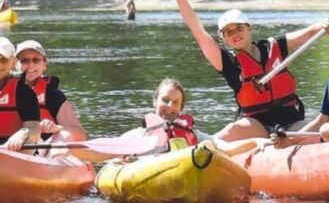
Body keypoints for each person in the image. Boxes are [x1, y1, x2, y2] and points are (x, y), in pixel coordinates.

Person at [170, 0, 329, 142]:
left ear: (250, 27)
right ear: (224, 38)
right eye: (228, 32)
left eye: (239, 28)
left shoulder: (275, 46)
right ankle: (194, 143)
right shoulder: (228, 63)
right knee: (233, 130)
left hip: (291, 123)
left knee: (325, 130)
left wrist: (323, 26)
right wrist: (181, 0)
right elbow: (200, 34)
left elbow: (308, 33)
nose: (235, 34)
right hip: (255, 128)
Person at [52, 78, 272, 162]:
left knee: (208, 147)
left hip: (186, 171)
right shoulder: (138, 136)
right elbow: (101, 152)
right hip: (147, 174)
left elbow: (226, 148)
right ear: (155, 101)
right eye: (165, 100)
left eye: (176, 103)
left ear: (181, 108)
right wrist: (71, 150)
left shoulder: (194, 135)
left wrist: (257, 142)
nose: (169, 106)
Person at [15, 40, 87, 143]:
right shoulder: (4, 90)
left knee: (63, 135)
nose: (30, 65)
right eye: (24, 60)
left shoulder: (53, 96)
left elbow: (80, 134)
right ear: (14, 64)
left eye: (36, 60)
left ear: (44, 64)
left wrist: (57, 128)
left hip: (45, 150)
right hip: (8, 147)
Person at [0, 37, 41, 153]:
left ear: (13, 62)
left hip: (14, 151)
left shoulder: (24, 92)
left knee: (27, 140)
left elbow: (34, 130)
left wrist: (24, 133)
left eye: (4, 60)